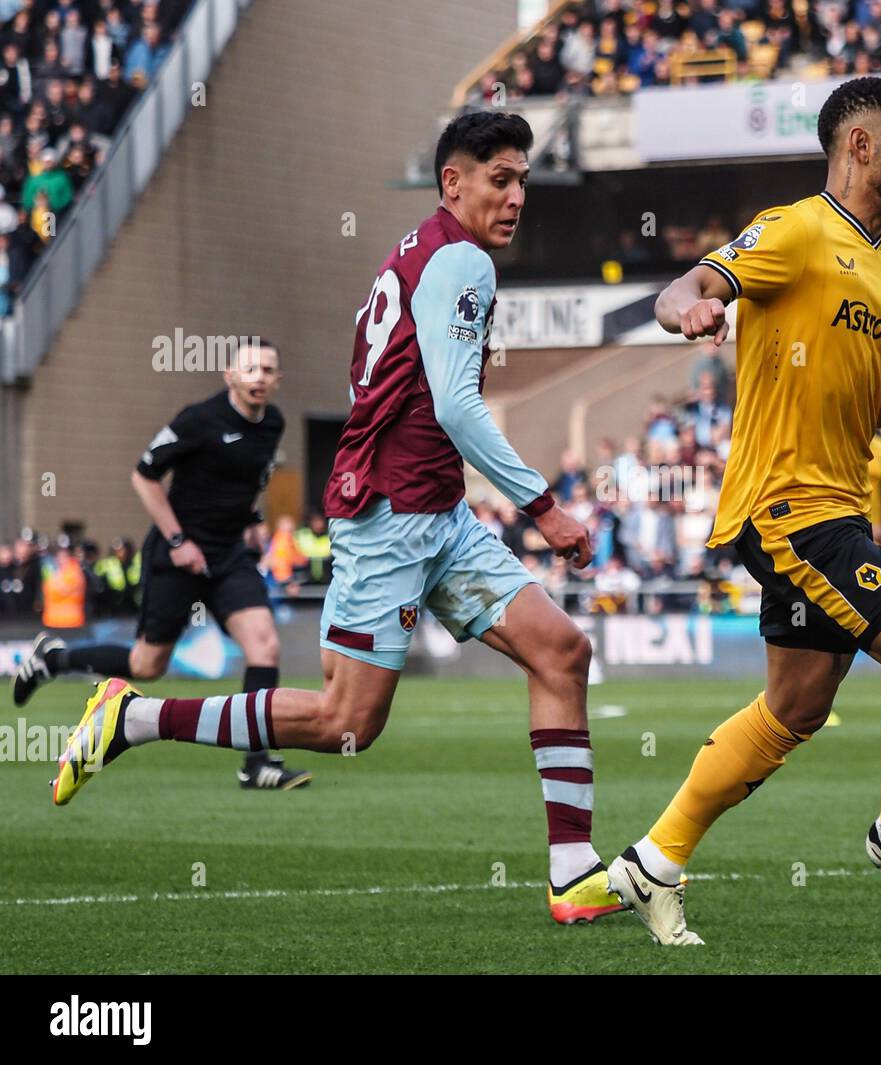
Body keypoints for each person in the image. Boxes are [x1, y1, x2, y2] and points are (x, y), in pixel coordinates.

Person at [47, 111, 625, 928]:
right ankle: (133, 715)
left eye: (524, 178)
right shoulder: (461, 259)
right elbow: (459, 407)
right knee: (345, 722)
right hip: (392, 517)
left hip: (435, 511)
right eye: (501, 177)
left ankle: (573, 873)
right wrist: (546, 507)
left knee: (562, 650)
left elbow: (397, 389)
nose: (518, 194)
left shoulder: (419, 249)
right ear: (453, 182)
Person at [605, 77, 881, 945]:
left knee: (794, 707)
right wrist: (694, 306)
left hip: (838, 511)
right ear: (860, 145)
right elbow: (689, 282)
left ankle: (651, 863)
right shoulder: (796, 229)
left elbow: (861, 395)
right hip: (792, 511)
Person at [14, 339, 310, 791]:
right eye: (250, 368)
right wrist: (177, 539)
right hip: (177, 555)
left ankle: (256, 763)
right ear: (229, 375)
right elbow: (144, 474)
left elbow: (248, 479)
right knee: (147, 664)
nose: (259, 377)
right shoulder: (199, 419)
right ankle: (55, 658)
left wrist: (252, 520)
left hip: (228, 556)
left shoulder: (273, 423)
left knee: (265, 646)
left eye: (268, 370)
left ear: (277, 380)